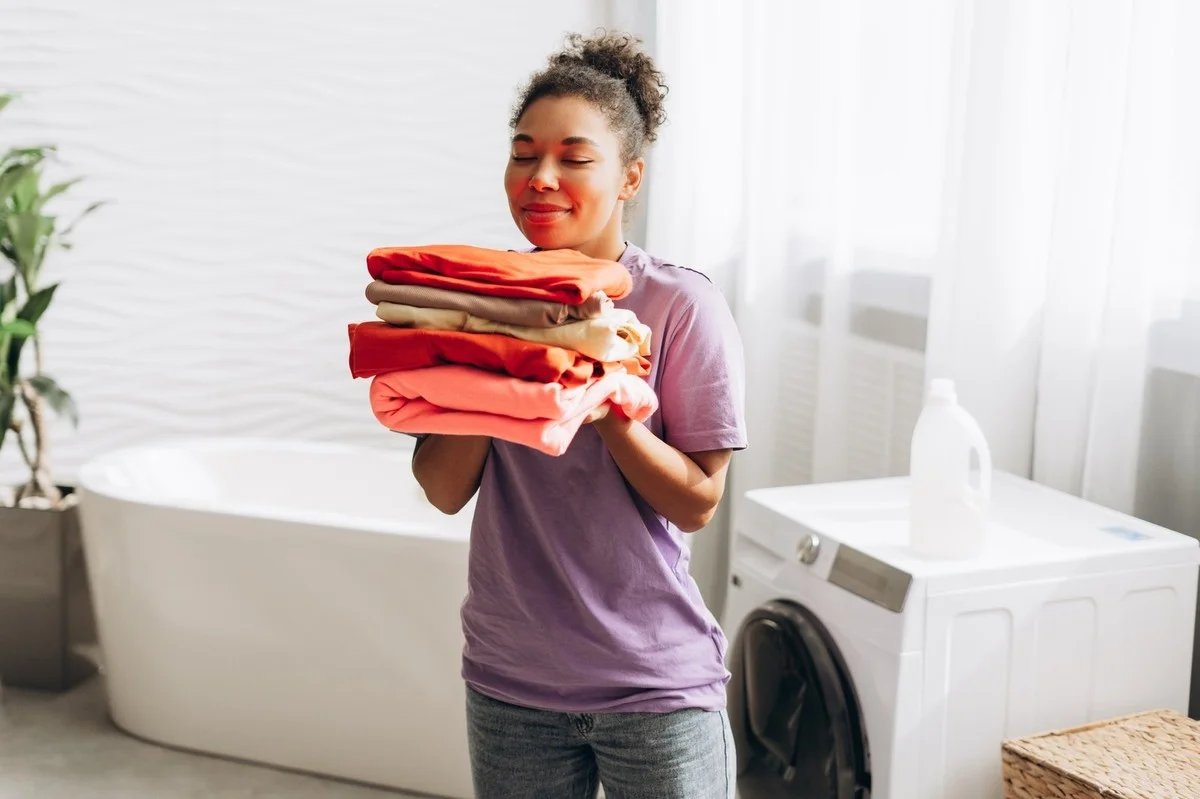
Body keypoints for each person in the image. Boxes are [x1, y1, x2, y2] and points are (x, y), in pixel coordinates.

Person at [411, 30, 747, 799]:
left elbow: (698, 500)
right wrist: (493, 348)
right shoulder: (481, 297)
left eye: (574, 157)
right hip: (510, 683)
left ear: (630, 175)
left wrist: (605, 404)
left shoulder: (678, 304)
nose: (542, 177)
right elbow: (441, 486)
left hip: (653, 686)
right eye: (524, 153)